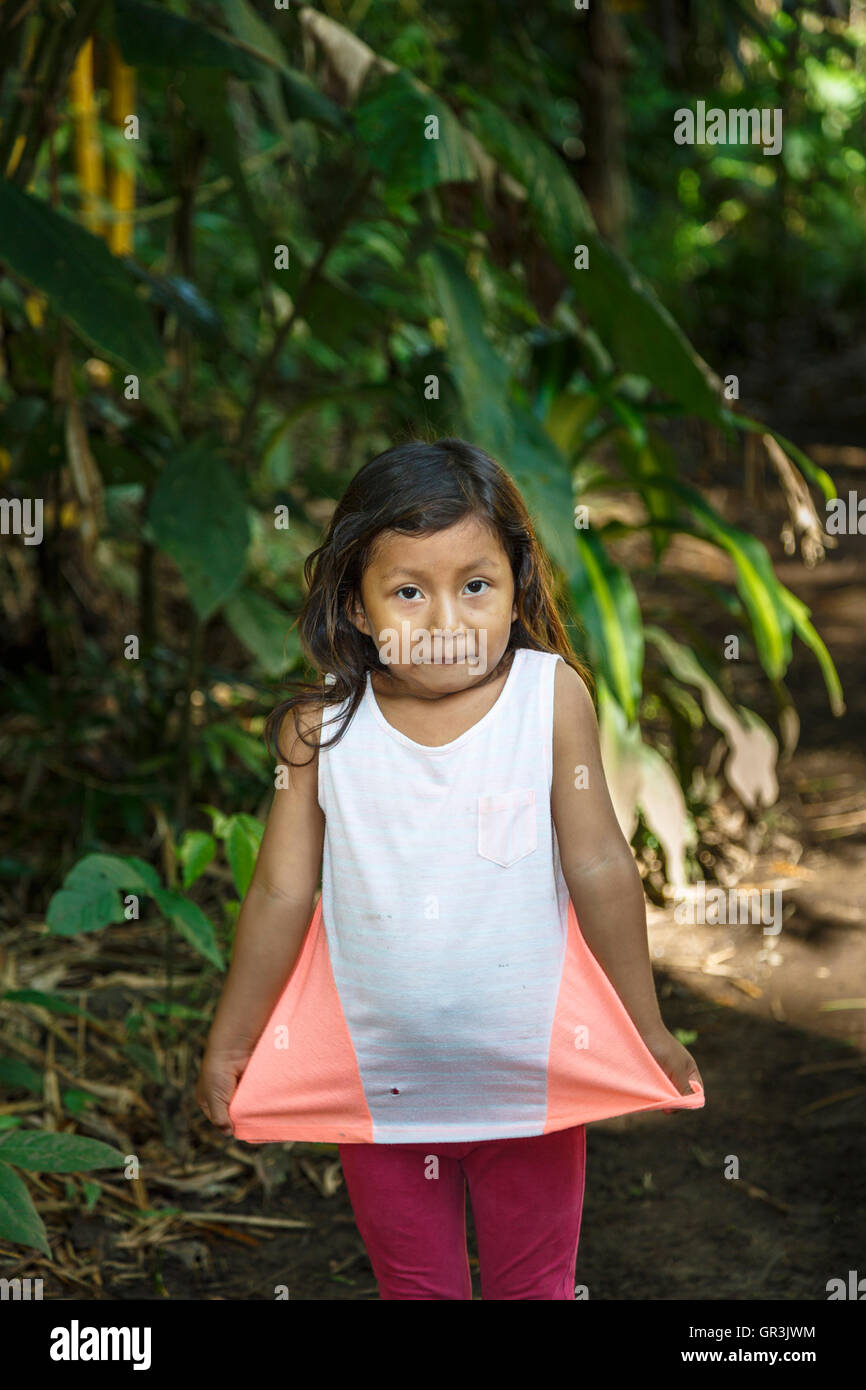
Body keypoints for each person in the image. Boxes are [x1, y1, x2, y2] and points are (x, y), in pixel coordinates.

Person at [196, 436, 705, 1300]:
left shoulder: (550, 699)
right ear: (355, 607)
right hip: (383, 1093)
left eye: (476, 585)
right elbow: (282, 890)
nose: (445, 621)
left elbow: (599, 863)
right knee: (415, 1291)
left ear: (516, 588)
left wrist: (644, 1025)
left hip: (530, 1085)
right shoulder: (321, 733)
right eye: (407, 591)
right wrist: (235, 1038)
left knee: (535, 1287)